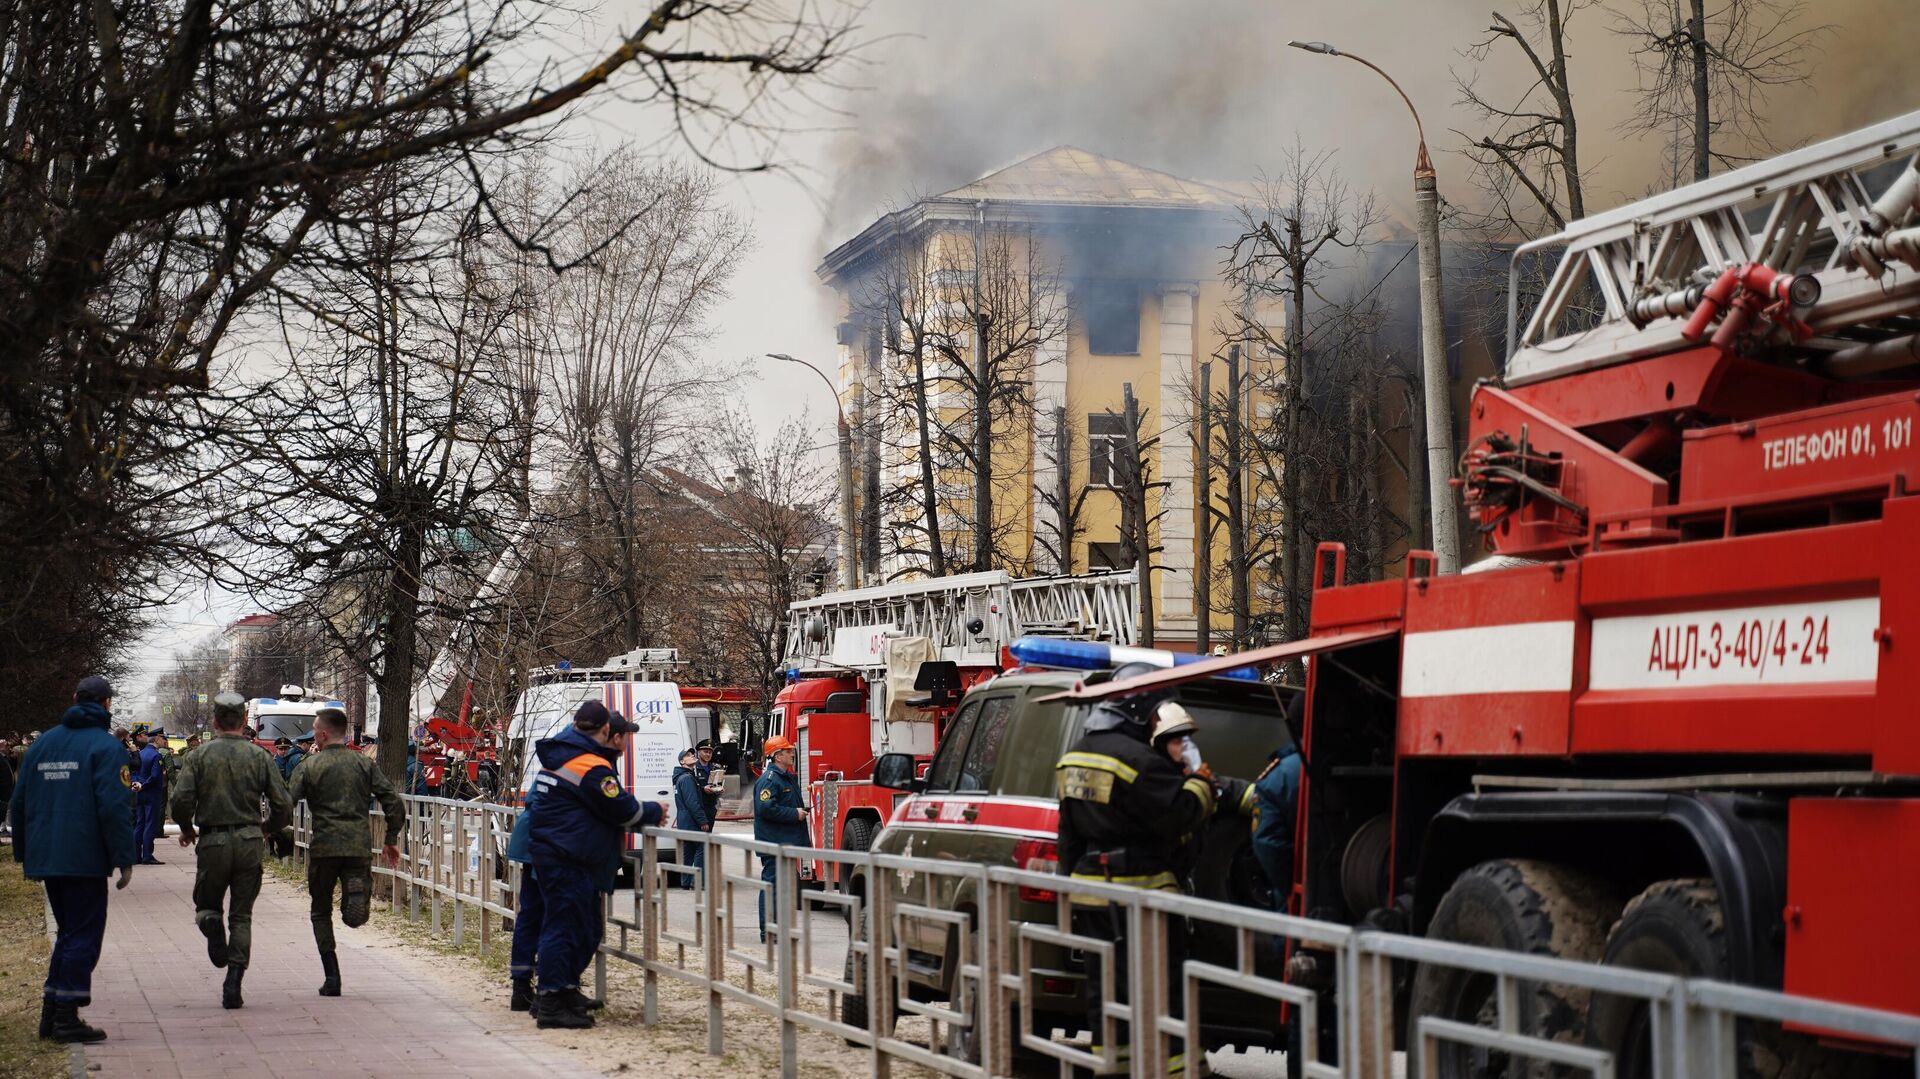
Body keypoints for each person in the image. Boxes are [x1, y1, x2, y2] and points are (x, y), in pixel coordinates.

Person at [1054, 674, 1250, 1076]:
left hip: (1091, 896)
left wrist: (1068, 889)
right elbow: (1179, 816)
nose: (1154, 721)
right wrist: (1200, 785)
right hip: (1140, 897)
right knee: (1166, 988)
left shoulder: (1074, 756)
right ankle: (1178, 1069)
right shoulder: (1138, 760)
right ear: (1136, 711)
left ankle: (1112, 1066)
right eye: (1153, 713)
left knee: (1105, 990)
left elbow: (1068, 839)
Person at [8, 675, 135, 1044]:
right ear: (107, 704)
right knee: (82, 934)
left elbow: (20, 802)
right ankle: (66, 1017)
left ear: (74, 698)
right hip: (84, 858)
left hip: (48, 856)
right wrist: (124, 858)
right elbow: (113, 807)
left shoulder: (43, 744)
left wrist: (23, 852)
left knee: (67, 934)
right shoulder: (106, 747)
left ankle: (51, 1014)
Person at [525, 700, 666, 1029]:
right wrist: (656, 811)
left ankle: (564, 991)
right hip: (567, 856)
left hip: (560, 852)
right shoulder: (591, 766)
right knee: (562, 929)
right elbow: (622, 809)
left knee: (584, 928)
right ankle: (551, 1000)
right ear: (605, 730)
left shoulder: (566, 754)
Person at [171, 692, 295, 1009]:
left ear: (214, 722)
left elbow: (180, 801)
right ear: (243, 721)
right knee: (242, 916)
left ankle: (211, 922)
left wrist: (186, 829)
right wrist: (265, 828)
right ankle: (233, 984)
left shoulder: (198, 757)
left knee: (207, 902)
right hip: (250, 842)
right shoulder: (260, 757)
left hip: (212, 841)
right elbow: (283, 806)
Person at [288, 705, 403, 997]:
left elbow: (285, 802)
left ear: (324, 735)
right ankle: (355, 893)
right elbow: (392, 800)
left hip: (325, 845)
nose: (314, 735)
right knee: (353, 908)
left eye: (315, 730)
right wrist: (390, 838)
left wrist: (269, 829)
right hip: (357, 845)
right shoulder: (364, 764)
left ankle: (332, 977)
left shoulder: (309, 766)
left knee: (319, 911)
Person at [751, 734, 808, 943]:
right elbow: (766, 809)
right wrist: (795, 814)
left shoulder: (784, 777)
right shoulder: (770, 780)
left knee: (783, 887)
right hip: (774, 842)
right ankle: (769, 931)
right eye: (787, 751)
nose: (792, 753)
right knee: (772, 886)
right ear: (776, 756)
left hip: (784, 841)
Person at [671, 748, 712, 889]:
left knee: (688, 851)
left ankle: (685, 882)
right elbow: (693, 803)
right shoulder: (687, 778)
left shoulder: (681, 777)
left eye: (692, 754)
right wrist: (703, 821)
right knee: (701, 848)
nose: (692, 756)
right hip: (691, 820)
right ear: (682, 761)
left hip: (684, 820)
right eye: (688, 755)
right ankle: (698, 882)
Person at [129, 726, 166, 865]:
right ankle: (147, 856)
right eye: (163, 738)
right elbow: (156, 776)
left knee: (139, 824)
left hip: (139, 793)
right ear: (157, 739)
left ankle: (136, 855)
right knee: (150, 824)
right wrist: (144, 785)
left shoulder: (140, 753)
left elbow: (134, 772)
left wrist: (136, 784)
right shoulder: (156, 755)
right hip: (152, 794)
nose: (164, 741)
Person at [694, 738, 723, 822]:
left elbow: (717, 784)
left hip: (711, 807)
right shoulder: (694, 768)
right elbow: (690, 788)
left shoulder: (714, 768)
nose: (708, 754)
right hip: (699, 807)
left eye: (710, 752)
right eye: (705, 752)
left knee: (709, 833)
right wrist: (703, 789)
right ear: (699, 752)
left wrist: (719, 789)